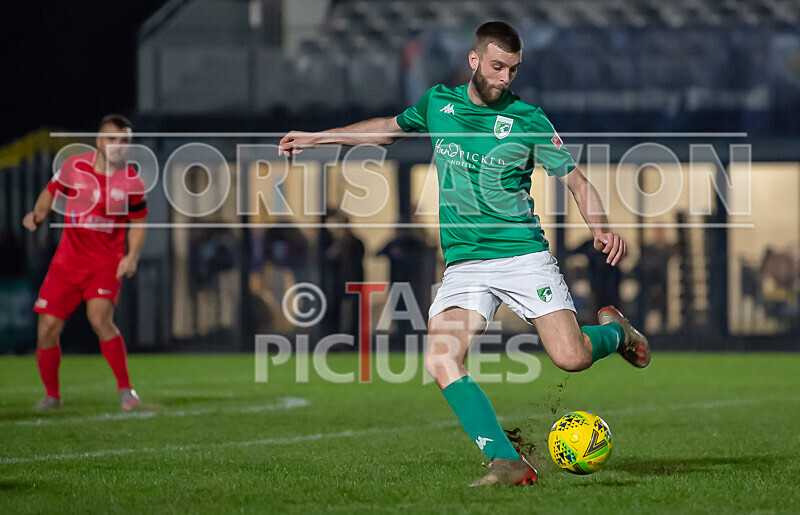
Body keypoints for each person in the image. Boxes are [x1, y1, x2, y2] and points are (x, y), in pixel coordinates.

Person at [278, 21, 650, 486]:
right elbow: (387, 131)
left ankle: (617, 333)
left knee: (571, 358)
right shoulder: (438, 103)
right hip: (465, 264)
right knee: (440, 358)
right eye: (497, 66)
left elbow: (574, 179)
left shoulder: (528, 119)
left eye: (513, 69)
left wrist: (602, 227)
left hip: (521, 256)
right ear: (474, 61)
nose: (504, 78)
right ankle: (506, 460)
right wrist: (316, 139)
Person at [23, 114, 148, 411]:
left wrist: (132, 256)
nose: (118, 145)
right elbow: (50, 194)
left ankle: (126, 390)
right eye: (112, 139)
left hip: (105, 263)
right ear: (99, 141)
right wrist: (38, 214)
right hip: (67, 262)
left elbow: (139, 222)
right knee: (46, 328)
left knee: (99, 319)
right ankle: (52, 395)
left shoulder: (131, 182)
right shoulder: (75, 167)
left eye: (123, 141)